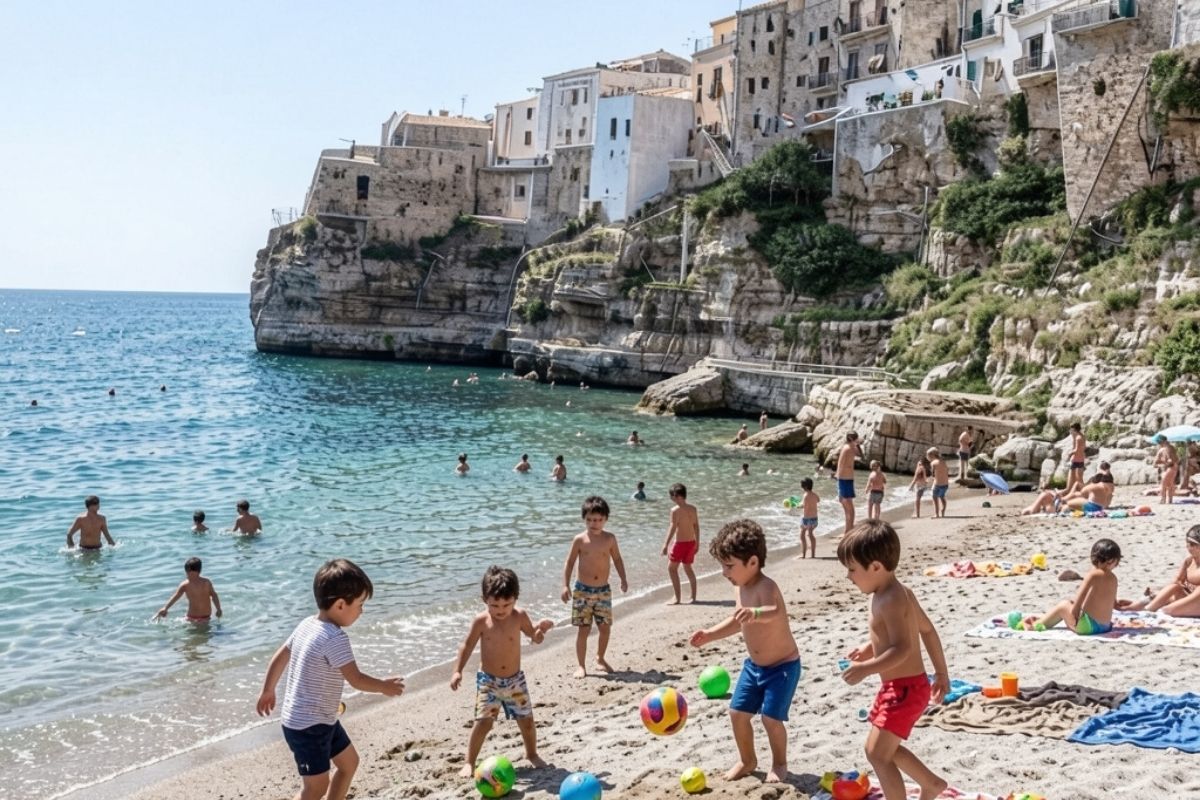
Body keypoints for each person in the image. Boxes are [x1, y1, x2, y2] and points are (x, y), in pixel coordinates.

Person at [256, 559, 405, 800]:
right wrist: (384, 687)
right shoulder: (335, 638)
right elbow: (356, 679)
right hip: (308, 727)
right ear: (339, 605)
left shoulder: (307, 624)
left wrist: (268, 690)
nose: (362, 611)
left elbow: (280, 656)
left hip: (318, 719)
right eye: (359, 604)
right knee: (315, 787)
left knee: (349, 763)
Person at [838, 519, 949, 800]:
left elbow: (902, 648)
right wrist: (869, 648)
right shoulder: (893, 593)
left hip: (904, 689)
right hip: (901, 687)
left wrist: (865, 668)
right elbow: (924, 630)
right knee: (883, 749)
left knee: (877, 754)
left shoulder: (891, 599)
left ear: (875, 566)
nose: (849, 577)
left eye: (852, 570)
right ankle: (932, 784)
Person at [690, 519, 800, 783]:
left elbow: (776, 612)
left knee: (771, 719)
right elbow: (737, 620)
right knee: (737, 714)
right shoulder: (739, 587)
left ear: (752, 562)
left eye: (729, 566)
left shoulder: (766, 587)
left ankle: (780, 763)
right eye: (722, 566)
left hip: (782, 667)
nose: (724, 572)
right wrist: (711, 635)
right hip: (753, 667)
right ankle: (747, 760)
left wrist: (755, 612)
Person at [450, 566, 553, 777]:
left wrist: (541, 631)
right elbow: (466, 646)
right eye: (494, 605)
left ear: (516, 598)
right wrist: (457, 671)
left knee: (527, 720)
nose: (500, 610)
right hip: (489, 681)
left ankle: (531, 753)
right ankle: (469, 761)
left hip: (515, 680)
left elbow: (534, 638)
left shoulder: (519, 616)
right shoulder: (481, 621)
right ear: (484, 600)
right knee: (483, 722)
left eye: (506, 604)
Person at [560, 496, 627, 677]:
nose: (594, 523)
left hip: (603, 590)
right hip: (583, 590)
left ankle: (600, 657)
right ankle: (581, 665)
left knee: (605, 628)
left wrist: (623, 579)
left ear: (605, 519)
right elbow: (570, 562)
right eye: (589, 520)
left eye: (598, 520)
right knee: (584, 629)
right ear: (584, 519)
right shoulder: (580, 540)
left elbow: (618, 559)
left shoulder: (610, 539)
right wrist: (565, 585)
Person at [1023, 538, 1131, 633]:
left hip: (1088, 628)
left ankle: (1036, 626)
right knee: (1069, 604)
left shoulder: (1092, 575)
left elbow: (1077, 605)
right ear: (1115, 561)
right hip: (1105, 627)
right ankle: (1044, 620)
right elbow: (1115, 605)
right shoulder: (1114, 578)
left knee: (1063, 605)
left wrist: (1074, 619)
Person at [1130, 525, 1200, 616]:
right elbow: (1177, 581)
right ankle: (1147, 609)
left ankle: (1159, 608)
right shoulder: (1189, 561)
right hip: (1187, 598)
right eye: (1188, 543)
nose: (1188, 546)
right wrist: (1161, 590)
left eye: (1192, 544)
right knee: (1174, 587)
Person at [662, 483, 701, 605]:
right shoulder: (693, 508)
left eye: (671, 496)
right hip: (691, 543)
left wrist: (665, 544)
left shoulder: (674, 510)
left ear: (677, 496)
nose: (670, 498)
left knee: (672, 569)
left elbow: (673, 528)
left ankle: (677, 598)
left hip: (680, 544)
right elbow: (696, 527)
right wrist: (697, 543)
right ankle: (693, 597)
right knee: (688, 568)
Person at [156, 557, 222, 623]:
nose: (189, 576)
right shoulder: (187, 584)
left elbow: (214, 595)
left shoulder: (205, 583)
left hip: (204, 618)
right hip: (193, 618)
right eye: (188, 573)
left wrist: (218, 609)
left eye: (190, 573)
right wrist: (165, 608)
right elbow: (175, 597)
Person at [837, 432, 863, 534]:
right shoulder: (847, 448)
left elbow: (860, 454)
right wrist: (837, 476)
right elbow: (841, 463)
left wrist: (857, 444)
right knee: (848, 507)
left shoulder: (851, 447)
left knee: (848, 507)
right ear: (851, 438)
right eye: (856, 438)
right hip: (844, 480)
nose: (858, 439)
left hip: (846, 480)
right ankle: (848, 531)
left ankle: (848, 530)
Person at [1154, 435, 1179, 505]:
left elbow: (1173, 460)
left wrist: (1165, 463)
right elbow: (1155, 463)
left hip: (1171, 467)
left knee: (1164, 483)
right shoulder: (1167, 448)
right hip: (1171, 467)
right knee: (1170, 484)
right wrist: (1164, 463)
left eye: (1160, 442)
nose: (1160, 444)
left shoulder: (1168, 448)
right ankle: (1169, 500)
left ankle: (1163, 500)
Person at [798, 478, 819, 559]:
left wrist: (798, 506)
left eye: (802, 487)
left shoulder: (805, 496)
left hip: (806, 519)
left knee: (802, 535)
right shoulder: (814, 494)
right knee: (810, 534)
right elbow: (818, 500)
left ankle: (803, 555)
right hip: (814, 519)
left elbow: (803, 506)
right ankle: (813, 554)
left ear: (805, 487)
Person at [928, 448, 949, 519]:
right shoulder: (943, 461)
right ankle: (943, 510)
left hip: (937, 484)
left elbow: (933, 475)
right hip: (945, 484)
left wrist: (930, 479)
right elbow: (946, 472)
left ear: (932, 455)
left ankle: (937, 514)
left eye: (928, 456)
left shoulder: (933, 463)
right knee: (942, 497)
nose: (928, 458)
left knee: (934, 497)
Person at [1068, 423, 1087, 491]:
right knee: (1079, 479)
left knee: (1075, 481)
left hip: (1075, 460)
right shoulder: (1082, 436)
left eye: (1071, 428)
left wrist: (1070, 453)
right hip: (1081, 459)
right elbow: (1083, 448)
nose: (1070, 430)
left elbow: (1076, 449)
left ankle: (1084, 492)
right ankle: (1083, 492)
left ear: (1074, 429)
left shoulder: (1078, 438)